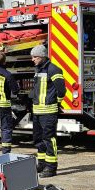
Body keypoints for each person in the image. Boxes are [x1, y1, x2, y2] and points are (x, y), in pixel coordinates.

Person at [29, 45, 65, 177]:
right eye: (32, 57)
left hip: (48, 111)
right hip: (37, 111)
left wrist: (58, 102)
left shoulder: (53, 69)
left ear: (42, 56)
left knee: (49, 139)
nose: (32, 59)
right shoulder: (38, 69)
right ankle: (42, 164)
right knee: (38, 139)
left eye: (35, 57)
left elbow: (61, 90)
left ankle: (51, 168)